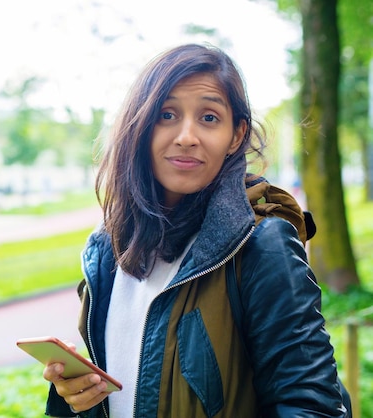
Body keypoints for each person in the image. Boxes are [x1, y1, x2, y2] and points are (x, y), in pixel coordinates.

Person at [42, 44, 349, 417]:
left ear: (236, 135)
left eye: (208, 118)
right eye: (167, 114)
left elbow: (312, 406)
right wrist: (74, 397)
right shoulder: (108, 248)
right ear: (139, 126)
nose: (187, 135)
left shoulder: (261, 245)